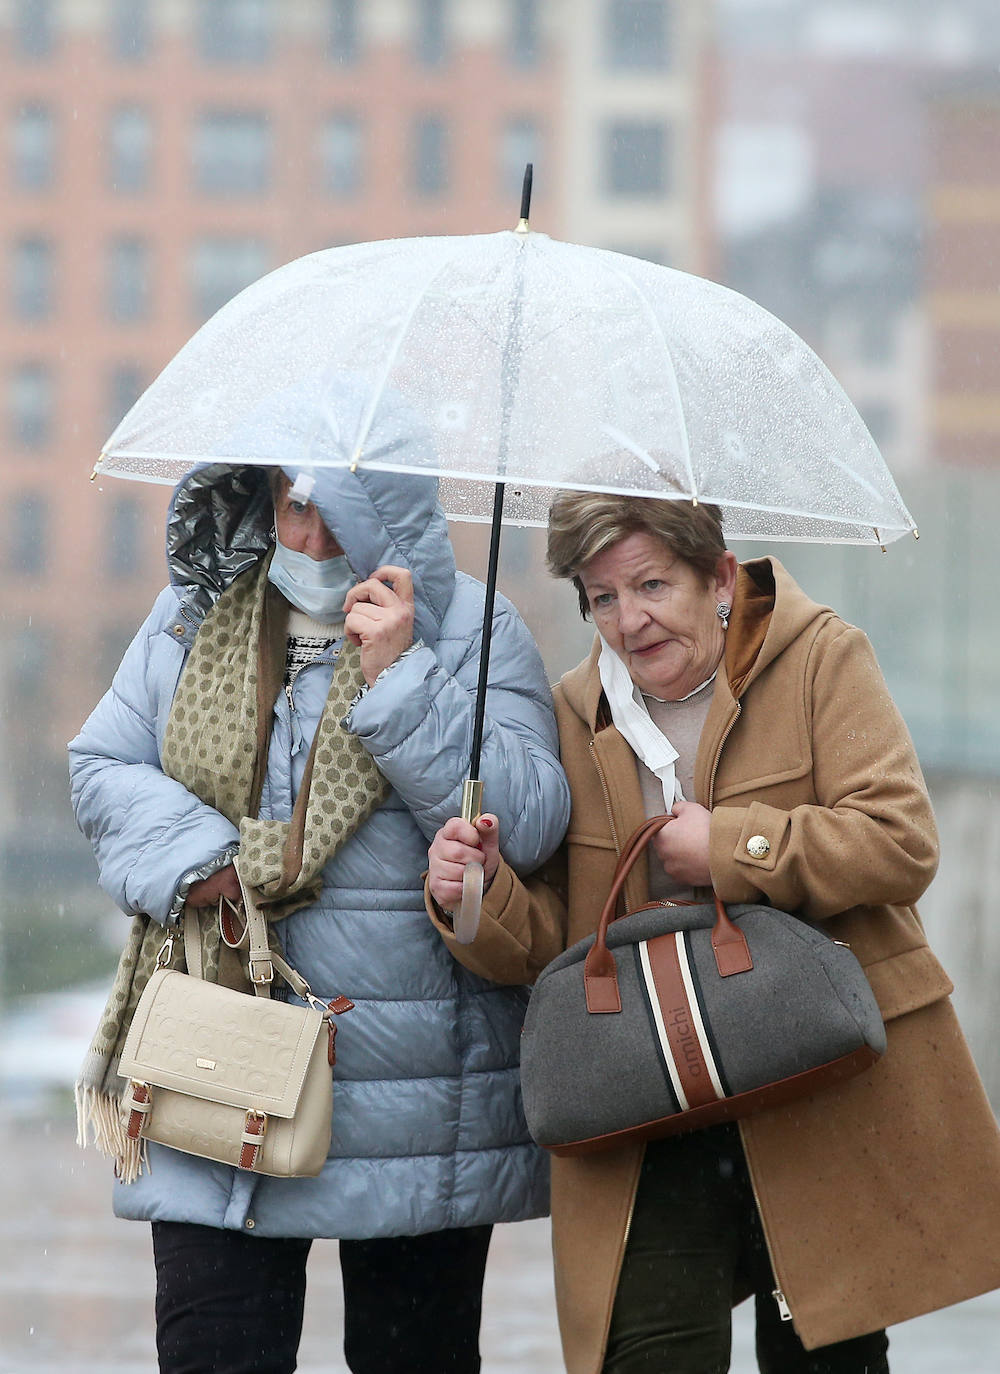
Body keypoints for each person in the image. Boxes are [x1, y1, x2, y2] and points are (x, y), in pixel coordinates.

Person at [427, 490, 1000, 1374]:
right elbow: (556, 947)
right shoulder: (574, 715)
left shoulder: (820, 659)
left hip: (815, 1082)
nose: (629, 620)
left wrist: (731, 847)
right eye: (603, 597)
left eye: (652, 585)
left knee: (827, 1357)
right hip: (647, 1100)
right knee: (647, 1352)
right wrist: (476, 893)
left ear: (720, 577)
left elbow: (900, 840)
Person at [70, 392, 571, 1374]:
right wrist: (199, 858)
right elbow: (103, 767)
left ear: (385, 506)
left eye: (329, 506)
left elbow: (535, 815)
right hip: (218, 1062)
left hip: (417, 1096)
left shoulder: (473, 630)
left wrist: (403, 679)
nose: (305, 531)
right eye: (286, 503)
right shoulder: (191, 617)